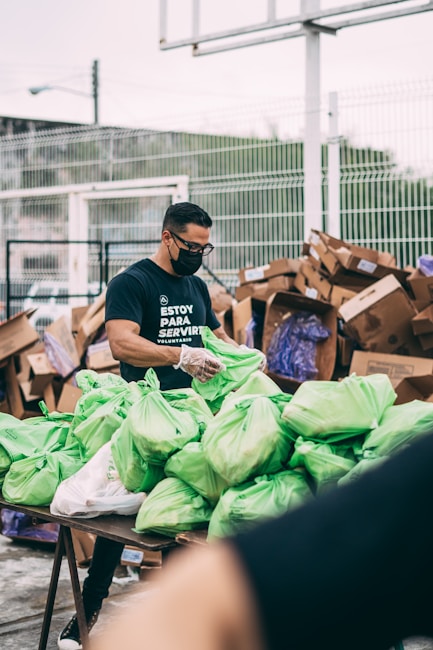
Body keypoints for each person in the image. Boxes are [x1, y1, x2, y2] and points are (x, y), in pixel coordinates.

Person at [58, 201, 245, 649]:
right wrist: (179, 355)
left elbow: (217, 339)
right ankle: (88, 611)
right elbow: (122, 344)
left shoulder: (196, 288)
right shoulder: (132, 282)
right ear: (167, 238)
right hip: (144, 420)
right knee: (117, 520)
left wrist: (243, 361)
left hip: (193, 419)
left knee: (185, 519)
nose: (199, 254)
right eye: (191, 245)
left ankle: (182, 623)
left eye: (205, 247)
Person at [90, 428, 433, 650]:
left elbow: (213, 329)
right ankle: (87, 610)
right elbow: (196, 606)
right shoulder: (417, 493)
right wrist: (180, 356)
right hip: (167, 419)